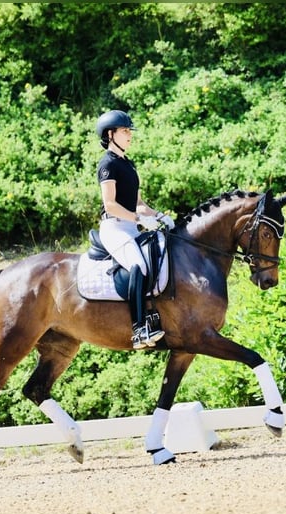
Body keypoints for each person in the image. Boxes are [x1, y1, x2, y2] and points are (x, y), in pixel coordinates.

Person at [95, 110, 175, 349]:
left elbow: (139, 203)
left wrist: (158, 216)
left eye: (130, 131)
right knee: (137, 266)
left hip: (131, 226)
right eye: (125, 131)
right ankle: (139, 329)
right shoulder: (107, 164)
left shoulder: (127, 164)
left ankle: (152, 316)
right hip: (114, 228)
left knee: (154, 260)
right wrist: (138, 219)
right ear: (111, 135)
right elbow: (110, 204)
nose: (130, 135)